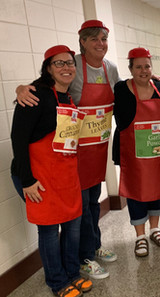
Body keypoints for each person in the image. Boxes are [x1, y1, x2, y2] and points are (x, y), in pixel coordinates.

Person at [16, 19, 119, 279]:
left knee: (91, 205)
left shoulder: (108, 70)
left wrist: (153, 82)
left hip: (92, 152)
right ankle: (81, 260)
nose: (100, 43)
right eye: (93, 38)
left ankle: (91, 248)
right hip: (66, 159)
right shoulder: (58, 77)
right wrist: (19, 89)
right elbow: (32, 104)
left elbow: (122, 96)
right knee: (76, 214)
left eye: (104, 39)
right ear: (81, 43)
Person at [11, 45, 92, 297]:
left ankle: (72, 273)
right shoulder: (34, 95)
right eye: (59, 63)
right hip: (37, 176)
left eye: (70, 63)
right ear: (48, 68)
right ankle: (57, 282)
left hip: (65, 174)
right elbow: (18, 139)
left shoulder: (69, 97)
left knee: (73, 225)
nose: (66, 67)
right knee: (48, 229)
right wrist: (27, 180)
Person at [112, 47, 160, 257]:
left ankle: (155, 229)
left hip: (158, 151)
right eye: (138, 67)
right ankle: (140, 236)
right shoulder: (120, 89)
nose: (143, 70)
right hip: (132, 152)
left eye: (147, 66)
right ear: (130, 69)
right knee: (136, 192)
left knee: (155, 188)